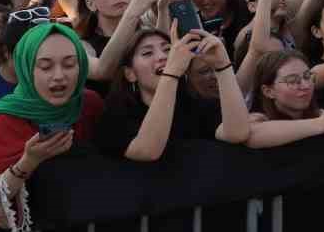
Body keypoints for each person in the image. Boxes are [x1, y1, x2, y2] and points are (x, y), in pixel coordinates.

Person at [0, 22, 91, 232]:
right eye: (45, 66)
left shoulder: (89, 105)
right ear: (25, 67)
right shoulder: (0, 123)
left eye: (69, 64)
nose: (59, 76)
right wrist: (28, 162)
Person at [93, 25, 252, 159]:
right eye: (148, 53)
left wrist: (222, 65)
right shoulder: (116, 114)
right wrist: (171, 73)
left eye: (168, 50)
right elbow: (147, 151)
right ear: (130, 74)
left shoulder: (196, 104)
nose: (162, 57)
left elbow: (237, 133)